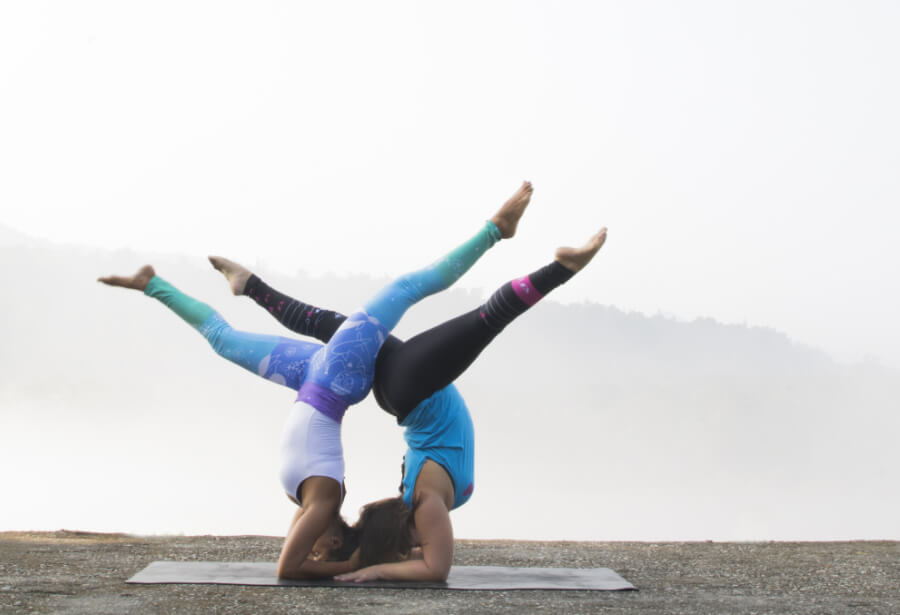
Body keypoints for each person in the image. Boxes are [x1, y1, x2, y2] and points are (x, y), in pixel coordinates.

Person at [96, 182, 534, 579]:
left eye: (315, 551)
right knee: (400, 291)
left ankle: (174, 284)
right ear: (339, 538)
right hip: (333, 381)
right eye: (322, 551)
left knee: (231, 340)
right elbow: (292, 568)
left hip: (315, 380)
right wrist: (350, 567)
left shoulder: (311, 503)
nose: (312, 549)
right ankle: (495, 231)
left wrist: (340, 565)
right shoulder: (323, 501)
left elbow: (288, 565)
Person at [208, 194, 607, 582]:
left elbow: (435, 569)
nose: (425, 543)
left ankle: (548, 260)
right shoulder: (421, 503)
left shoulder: (424, 506)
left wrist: (371, 568)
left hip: (413, 389)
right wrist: (375, 563)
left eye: (414, 545)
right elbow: (428, 561)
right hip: (405, 391)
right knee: (336, 324)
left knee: (480, 319)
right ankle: (250, 286)